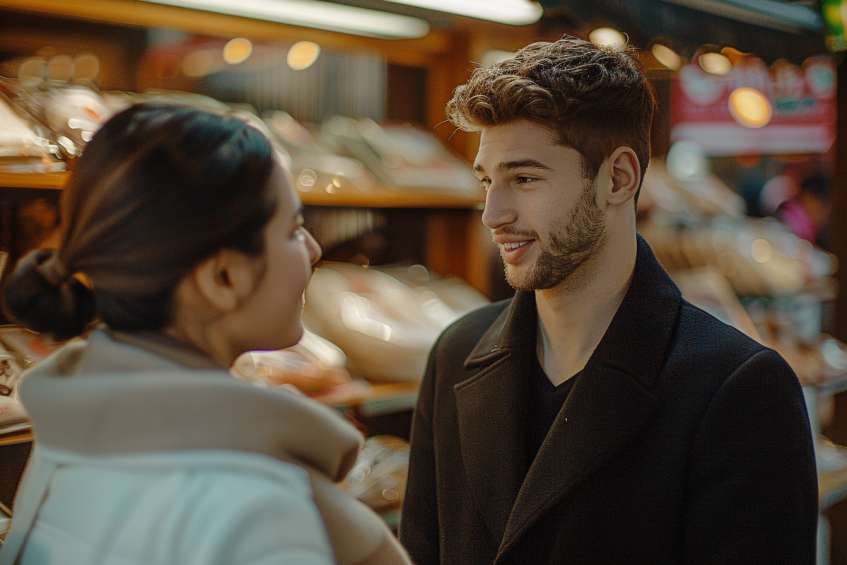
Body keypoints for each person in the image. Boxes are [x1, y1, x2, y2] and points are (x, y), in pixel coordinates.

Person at [399, 37, 817, 564]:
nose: (493, 214)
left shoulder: (737, 387)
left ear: (618, 178)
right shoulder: (456, 354)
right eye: (487, 181)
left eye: (524, 178)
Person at [0, 102, 411, 565]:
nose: (315, 250)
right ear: (222, 278)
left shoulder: (67, 441)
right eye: (294, 229)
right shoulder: (255, 504)